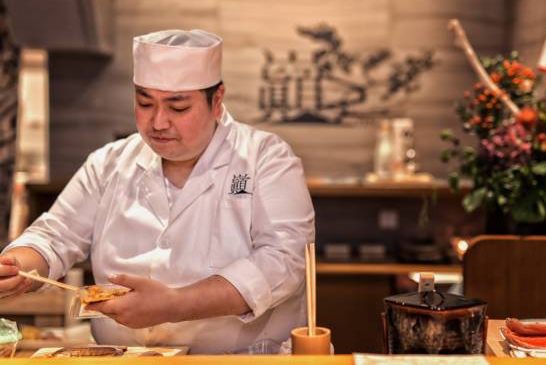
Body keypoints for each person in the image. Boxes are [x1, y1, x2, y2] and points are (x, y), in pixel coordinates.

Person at [0, 29, 315, 354]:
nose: (158, 122)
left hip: (238, 360)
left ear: (217, 101)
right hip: (127, 358)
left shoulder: (265, 158)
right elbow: (54, 236)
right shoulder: (109, 163)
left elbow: (283, 261)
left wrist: (176, 304)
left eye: (178, 108)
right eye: (145, 103)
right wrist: (17, 265)